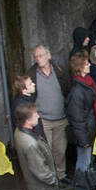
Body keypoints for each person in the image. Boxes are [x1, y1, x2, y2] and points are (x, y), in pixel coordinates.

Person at [65, 51, 96, 190]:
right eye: (86, 64)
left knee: (89, 160)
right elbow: (77, 118)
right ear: (80, 68)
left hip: (91, 127)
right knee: (83, 162)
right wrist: (83, 139)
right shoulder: (77, 90)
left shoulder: (87, 81)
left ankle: (89, 185)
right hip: (85, 131)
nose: (89, 65)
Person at [31, 45, 70, 182]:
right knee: (45, 151)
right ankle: (50, 177)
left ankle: (61, 174)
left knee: (60, 150)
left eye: (40, 55)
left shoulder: (58, 71)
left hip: (61, 118)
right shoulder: (31, 74)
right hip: (44, 120)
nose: (38, 59)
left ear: (48, 56)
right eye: (36, 56)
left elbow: (67, 89)